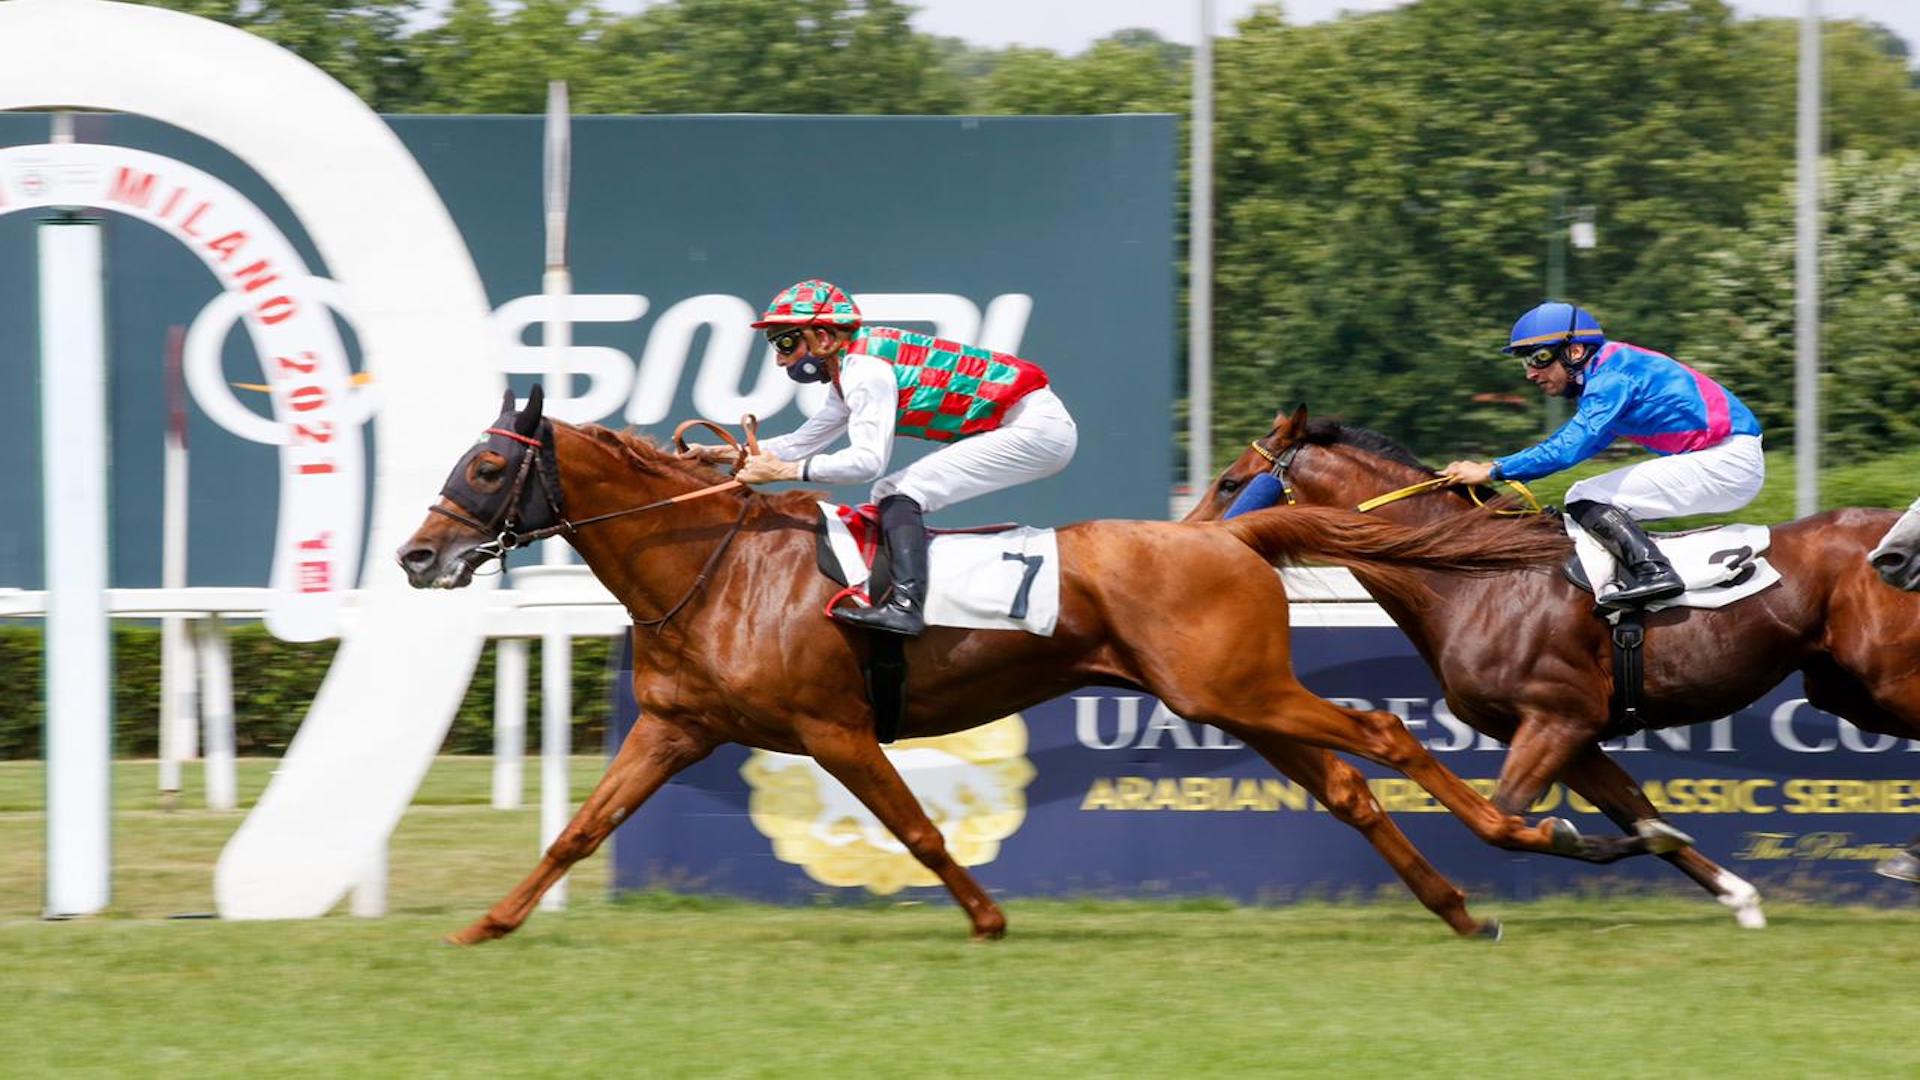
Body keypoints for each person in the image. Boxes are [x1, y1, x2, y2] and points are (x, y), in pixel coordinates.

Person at [683, 279, 1078, 635]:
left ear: (823, 337)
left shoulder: (865, 370)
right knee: (895, 491)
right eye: (776, 345)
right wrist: (723, 453)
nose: (780, 359)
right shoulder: (847, 368)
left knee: (897, 490)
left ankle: (906, 607)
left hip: (1034, 431)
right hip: (1024, 423)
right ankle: (903, 599)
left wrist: (786, 472)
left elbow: (867, 463)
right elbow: (803, 441)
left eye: (785, 342)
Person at [1440, 301, 1764, 608]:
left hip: (1726, 462)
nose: (1531, 373)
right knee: (1585, 503)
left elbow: (1567, 449)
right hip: (1724, 460)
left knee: (1585, 495)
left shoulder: (1612, 378)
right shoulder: (1610, 375)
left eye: (1538, 358)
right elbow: (1582, 447)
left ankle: (1655, 572)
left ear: (1575, 350)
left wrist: (1492, 470)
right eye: (1526, 362)